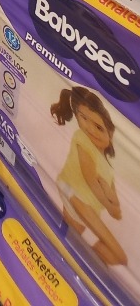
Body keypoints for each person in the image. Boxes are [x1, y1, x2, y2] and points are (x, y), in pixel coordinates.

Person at [51, 86, 127, 267]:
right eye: (83, 118)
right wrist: (108, 199)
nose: (90, 129)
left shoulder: (108, 170)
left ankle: (68, 262)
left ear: (110, 133)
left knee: (67, 240)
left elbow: (116, 213)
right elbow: (91, 181)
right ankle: (72, 263)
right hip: (75, 195)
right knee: (120, 256)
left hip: (85, 204)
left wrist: (108, 193)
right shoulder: (82, 139)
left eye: (98, 127)